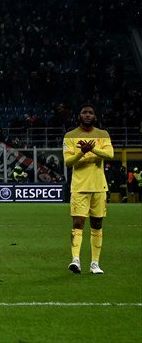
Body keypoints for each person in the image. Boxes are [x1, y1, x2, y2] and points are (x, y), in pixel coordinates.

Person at [63, 103, 114, 274]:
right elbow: (68, 161)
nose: (87, 115)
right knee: (78, 222)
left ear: (95, 116)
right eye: (84, 112)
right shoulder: (70, 136)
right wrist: (82, 153)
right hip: (79, 186)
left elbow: (110, 154)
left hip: (99, 186)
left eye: (90, 112)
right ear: (79, 116)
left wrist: (92, 148)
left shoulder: (103, 135)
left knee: (97, 224)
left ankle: (95, 264)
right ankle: (75, 260)